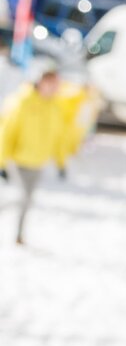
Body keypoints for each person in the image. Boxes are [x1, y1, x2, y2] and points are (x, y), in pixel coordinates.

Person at [1, 59, 78, 245]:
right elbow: (6, 132)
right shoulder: (22, 102)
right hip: (19, 160)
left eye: (55, 82)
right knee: (23, 197)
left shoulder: (55, 106)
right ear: (39, 81)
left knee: (26, 199)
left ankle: (19, 233)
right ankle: (18, 235)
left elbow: (59, 137)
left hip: (38, 161)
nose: (53, 86)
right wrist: (1, 161)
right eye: (49, 81)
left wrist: (61, 162)